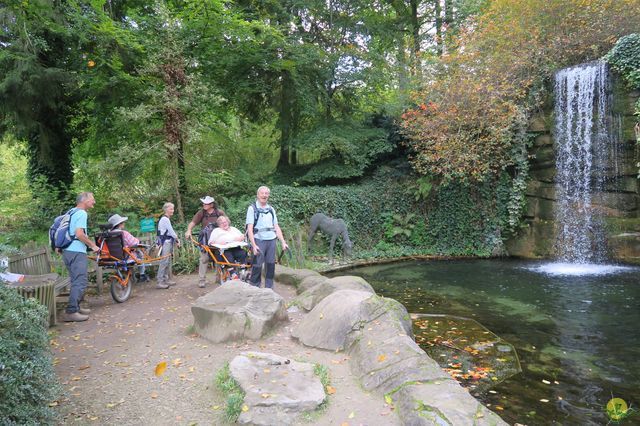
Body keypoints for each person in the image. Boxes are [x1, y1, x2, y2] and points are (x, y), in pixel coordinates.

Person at [62, 192, 100, 322]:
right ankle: (71, 311)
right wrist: (93, 245)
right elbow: (79, 234)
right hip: (76, 251)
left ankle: (76, 307)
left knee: (75, 280)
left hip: (67, 250)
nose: (94, 202)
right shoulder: (82, 213)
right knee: (80, 281)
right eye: (92, 200)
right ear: (84, 200)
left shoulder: (71, 212)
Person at [246, 186, 288, 289]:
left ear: (268, 195)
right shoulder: (252, 209)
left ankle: (269, 288)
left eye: (266, 193)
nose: (264, 195)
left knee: (270, 265)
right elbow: (250, 229)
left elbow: (276, 227)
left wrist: (283, 242)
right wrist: (254, 245)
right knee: (257, 265)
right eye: (262, 193)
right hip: (258, 240)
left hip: (271, 240)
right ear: (258, 195)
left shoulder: (271, 209)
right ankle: (254, 287)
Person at [184, 196, 225, 288]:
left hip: (218, 240)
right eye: (203, 203)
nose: (203, 205)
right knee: (204, 259)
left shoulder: (219, 212)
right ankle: (201, 280)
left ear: (211, 204)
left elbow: (226, 222)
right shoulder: (201, 213)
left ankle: (219, 278)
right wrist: (189, 230)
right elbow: (193, 223)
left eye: (205, 203)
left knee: (220, 259)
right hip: (205, 241)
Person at [108, 214, 148, 282]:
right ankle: (142, 274)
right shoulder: (123, 233)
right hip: (126, 257)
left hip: (112, 257)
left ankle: (134, 275)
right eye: (122, 222)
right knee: (139, 254)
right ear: (119, 224)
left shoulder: (107, 235)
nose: (124, 223)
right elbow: (135, 243)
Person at [208, 215, 247, 280]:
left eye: (225, 222)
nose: (224, 224)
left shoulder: (234, 229)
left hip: (235, 248)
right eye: (222, 223)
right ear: (219, 225)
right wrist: (219, 242)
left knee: (243, 253)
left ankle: (243, 271)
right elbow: (211, 242)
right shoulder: (216, 231)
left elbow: (242, 236)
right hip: (223, 251)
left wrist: (242, 237)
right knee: (228, 255)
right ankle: (232, 274)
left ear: (228, 222)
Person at [156, 202, 180, 289]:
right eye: (171, 209)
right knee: (164, 261)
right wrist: (177, 239)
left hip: (167, 242)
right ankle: (160, 281)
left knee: (168, 261)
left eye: (173, 209)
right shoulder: (165, 219)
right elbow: (171, 231)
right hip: (165, 242)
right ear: (166, 209)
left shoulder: (165, 219)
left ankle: (166, 279)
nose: (172, 210)